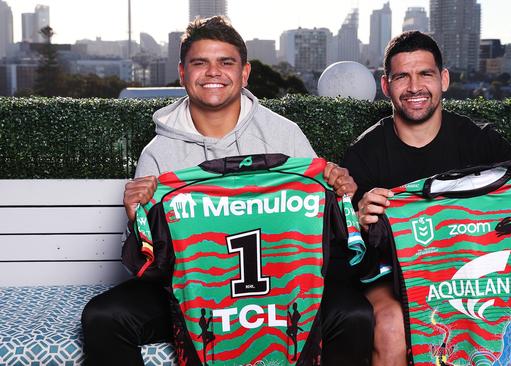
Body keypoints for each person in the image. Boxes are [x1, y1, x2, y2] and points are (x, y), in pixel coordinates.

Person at [81, 16, 371, 366]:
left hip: (281, 283)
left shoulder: (284, 135)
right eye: (200, 63)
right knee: (104, 317)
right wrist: (137, 219)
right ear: (183, 72)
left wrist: (340, 195)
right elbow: (150, 266)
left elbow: (322, 232)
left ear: (245, 73)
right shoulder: (158, 153)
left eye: (226, 62)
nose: (213, 72)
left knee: (354, 314)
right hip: (193, 292)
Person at [341, 31, 511, 366]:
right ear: (386, 86)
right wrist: (359, 218)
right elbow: (342, 238)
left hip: (474, 270)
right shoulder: (364, 153)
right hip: (392, 275)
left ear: (443, 79)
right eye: (402, 76)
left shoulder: (481, 142)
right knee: (392, 326)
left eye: (425, 74)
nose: (414, 87)